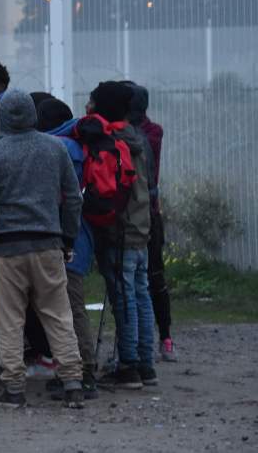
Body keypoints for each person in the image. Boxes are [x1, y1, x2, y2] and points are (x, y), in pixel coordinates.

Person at [0, 88, 85, 409]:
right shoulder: (55, 149)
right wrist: (68, 238)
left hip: (6, 249)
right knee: (59, 316)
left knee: (8, 321)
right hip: (49, 245)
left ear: (1, 117)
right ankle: (73, 381)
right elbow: (73, 198)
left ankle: (14, 388)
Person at [85, 82, 157, 390]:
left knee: (124, 298)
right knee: (140, 294)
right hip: (141, 228)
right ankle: (145, 364)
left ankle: (127, 366)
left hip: (120, 231)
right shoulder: (139, 137)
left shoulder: (110, 139)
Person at [40, 97, 100, 399]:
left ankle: (84, 371)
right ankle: (75, 369)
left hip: (68, 239)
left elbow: (63, 197)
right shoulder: (74, 145)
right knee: (68, 306)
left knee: (71, 307)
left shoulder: (62, 148)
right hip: (78, 237)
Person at [124, 82, 176, 363]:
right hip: (149, 212)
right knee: (152, 277)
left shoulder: (146, 134)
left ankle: (162, 337)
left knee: (150, 277)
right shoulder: (151, 130)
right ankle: (160, 339)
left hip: (143, 213)